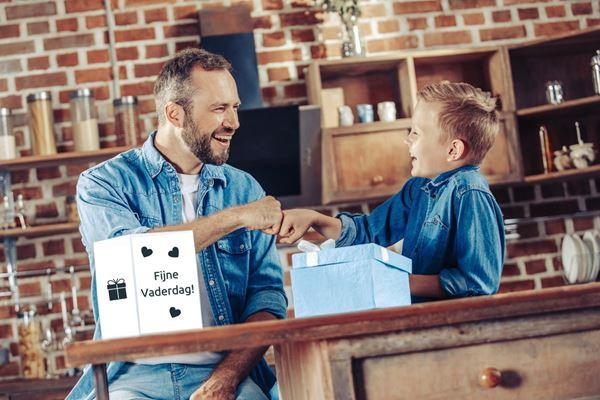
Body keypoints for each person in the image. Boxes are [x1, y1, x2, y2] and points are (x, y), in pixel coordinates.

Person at [67, 48, 287, 400]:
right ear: (175, 114)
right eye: (219, 109)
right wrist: (237, 217)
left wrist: (227, 378)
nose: (234, 122)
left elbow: (268, 297)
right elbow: (135, 255)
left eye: (235, 107)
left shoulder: (245, 189)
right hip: (134, 377)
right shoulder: (103, 184)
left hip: (224, 373)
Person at [279, 81, 505, 302]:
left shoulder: (469, 192)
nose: (407, 140)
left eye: (416, 133)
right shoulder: (419, 189)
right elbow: (369, 231)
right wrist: (314, 219)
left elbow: (478, 284)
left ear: (453, 149)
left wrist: (397, 280)